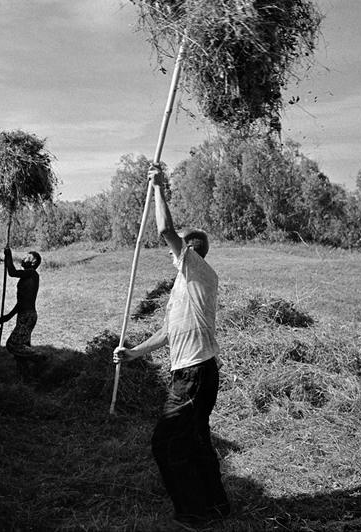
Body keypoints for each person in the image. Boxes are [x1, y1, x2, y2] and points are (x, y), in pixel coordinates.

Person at [113, 164, 231, 525]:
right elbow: (167, 332)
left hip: (194, 372)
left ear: (190, 248)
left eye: (177, 247)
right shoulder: (184, 287)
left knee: (166, 445)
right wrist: (133, 353)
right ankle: (215, 506)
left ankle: (193, 514)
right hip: (196, 370)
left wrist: (159, 186)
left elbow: (164, 228)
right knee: (195, 441)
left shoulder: (195, 267)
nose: (169, 251)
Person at [0, 246, 48, 381]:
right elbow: (20, 302)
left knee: (13, 345)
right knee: (20, 352)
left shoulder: (32, 274)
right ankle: (28, 378)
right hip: (25, 315)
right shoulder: (27, 276)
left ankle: (39, 357)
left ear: (33, 262)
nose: (23, 258)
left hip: (27, 316)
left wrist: (8, 255)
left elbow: (12, 272)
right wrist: (7, 317)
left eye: (27, 257)